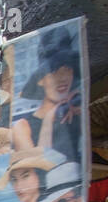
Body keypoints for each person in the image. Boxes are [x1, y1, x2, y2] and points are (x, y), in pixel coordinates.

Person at [12, 26, 82, 166]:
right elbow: (43, 169)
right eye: (54, 72)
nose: (62, 78)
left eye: (67, 70)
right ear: (40, 80)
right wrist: (49, 119)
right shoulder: (22, 127)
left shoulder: (76, 114)